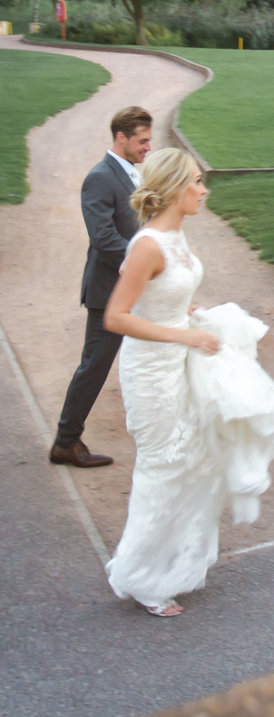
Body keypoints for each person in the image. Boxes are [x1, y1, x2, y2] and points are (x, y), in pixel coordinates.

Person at [103, 148, 274, 617]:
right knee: (162, 467)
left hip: (182, 356)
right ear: (174, 187)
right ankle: (141, 578)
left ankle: (169, 564)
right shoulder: (148, 244)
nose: (203, 189)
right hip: (152, 370)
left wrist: (192, 314)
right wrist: (184, 334)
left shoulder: (175, 236)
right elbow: (115, 317)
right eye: (195, 181)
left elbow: (166, 295)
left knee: (194, 461)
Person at [50, 106, 153, 468]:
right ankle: (65, 441)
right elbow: (104, 238)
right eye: (142, 141)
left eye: (149, 141)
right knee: (94, 366)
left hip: (137, 288)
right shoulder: (100, 177)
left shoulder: (132, 174)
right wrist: (147, 261)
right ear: (121, 138)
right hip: (110, 291)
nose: (147, 147)